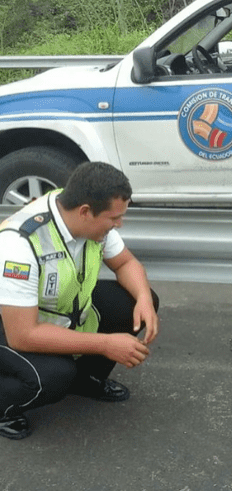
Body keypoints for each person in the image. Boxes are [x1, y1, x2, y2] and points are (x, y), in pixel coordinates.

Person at [0, 161, 159, 440]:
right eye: (114, 219)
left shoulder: (82, 213)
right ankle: (5, 408)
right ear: (86, 212)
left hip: (55, 313)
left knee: (134, 301)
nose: (119, 224)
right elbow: (22, 336)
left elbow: (125, 264)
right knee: (54, 375)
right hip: (10, 326)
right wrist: (106, 344)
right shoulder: (19, 243)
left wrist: (144, 298)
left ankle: (85, 380)